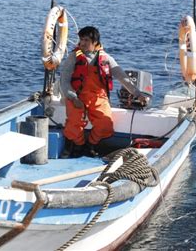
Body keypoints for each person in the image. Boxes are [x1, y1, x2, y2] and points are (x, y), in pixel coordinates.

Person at [59, 26, 148, 158]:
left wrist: (138, 94)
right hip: (76, 96)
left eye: (86, 40)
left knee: (105, 125)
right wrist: (73, 97)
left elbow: (122, 77)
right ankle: (77, 146)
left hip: (98, 97)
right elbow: (64, 81)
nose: (82, 43)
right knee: (73, 124)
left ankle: (90, 145)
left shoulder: (106, 58)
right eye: (81, 40)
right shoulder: (73, 57)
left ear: (95, 42)